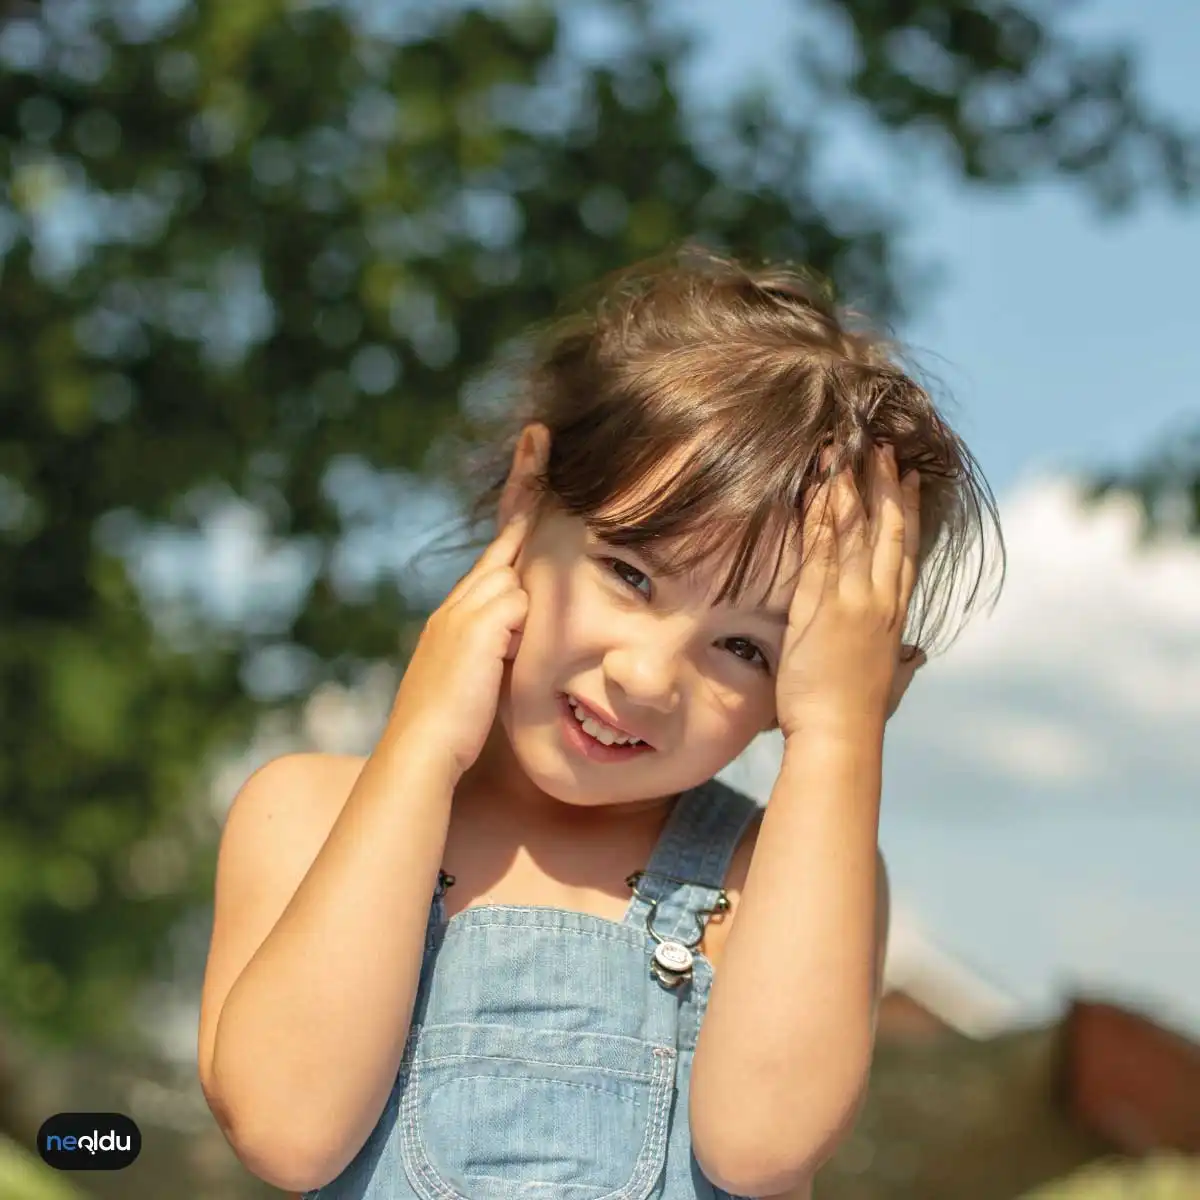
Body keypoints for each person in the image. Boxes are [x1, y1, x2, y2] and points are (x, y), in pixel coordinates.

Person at [197, 246, 1003, 1199]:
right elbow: (289, 1128)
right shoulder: (305, 814)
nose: (649, 677)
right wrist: (421, 748)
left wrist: (837, 740)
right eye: (631, 575)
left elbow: (763, 1146)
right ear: (529, 492)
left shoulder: (771, 879)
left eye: (749, 650)